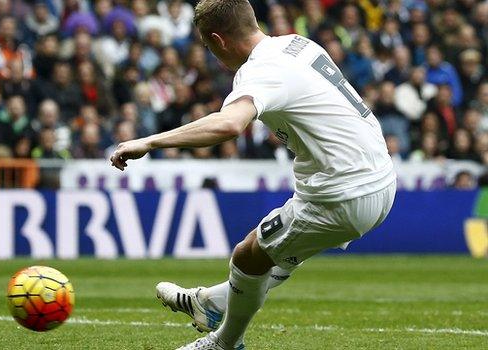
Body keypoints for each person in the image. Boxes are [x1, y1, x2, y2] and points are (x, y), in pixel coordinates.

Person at [108, 1, 396, 349]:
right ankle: (210, 302)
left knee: (247, 257)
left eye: (208, 47)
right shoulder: (298, 43)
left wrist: (150, 141)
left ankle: (225, 342)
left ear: (219, 41)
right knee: (277, 255)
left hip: (342, 192)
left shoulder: (261, 69)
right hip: (381, 177)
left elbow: (229, 124)